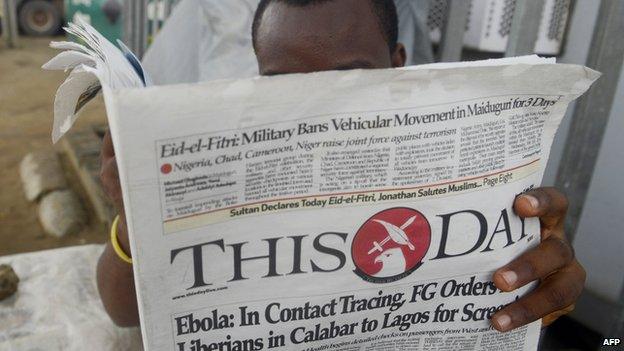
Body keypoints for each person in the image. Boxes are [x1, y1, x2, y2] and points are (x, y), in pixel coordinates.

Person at [97, 0, 585, 334]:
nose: (317, 109)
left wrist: (541, 273)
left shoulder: (454, 165)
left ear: (397, 62)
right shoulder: (231, 171)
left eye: (347, 79)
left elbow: (524, 283)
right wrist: (135, 221)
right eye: (283, 83)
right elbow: (123, 313)